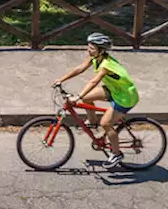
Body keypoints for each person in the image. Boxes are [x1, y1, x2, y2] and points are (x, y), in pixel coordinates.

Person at [54, 32, 140, 168]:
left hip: (125, 97)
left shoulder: (106, 65)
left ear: (101, 50)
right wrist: (61, 79)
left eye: (92, 48)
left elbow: (94, 82)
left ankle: (116, 154)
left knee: (105, 123)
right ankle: (92, 121)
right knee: (87, 99)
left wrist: (78, 96)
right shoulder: (95, 58)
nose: (89, 50)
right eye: (88, 46)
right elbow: (80, 69)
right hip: (114, 90)